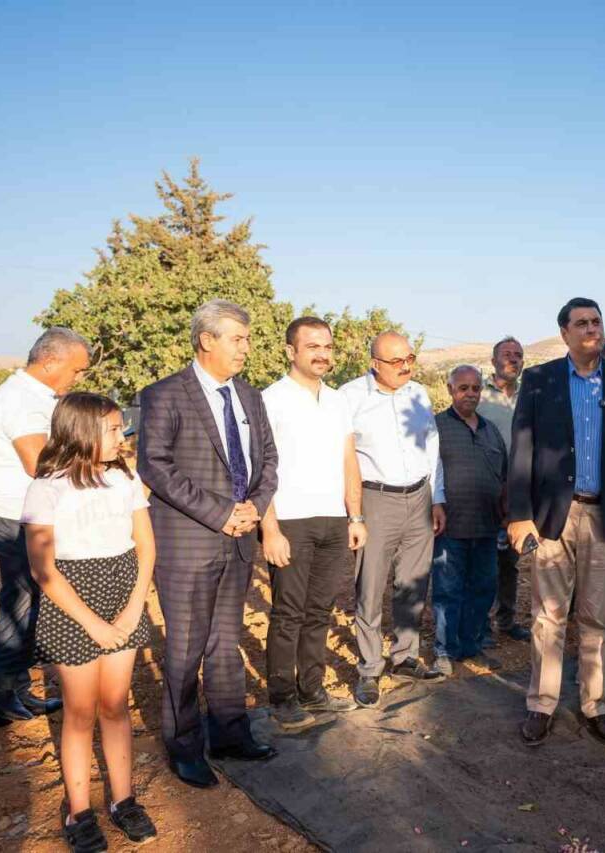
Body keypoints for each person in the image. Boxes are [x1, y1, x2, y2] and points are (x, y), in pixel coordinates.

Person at [138, 299, 279, 789]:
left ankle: (230, 734)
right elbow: (155, 466)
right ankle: (183, 745)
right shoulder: (164, 395)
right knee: (185, 646)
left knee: (224, 644)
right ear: (207, 340)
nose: (246, 347)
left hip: (239, 540)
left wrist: (254, 508)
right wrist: (221, 513)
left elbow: (268, 461)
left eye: (246, 338)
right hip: (190, 543)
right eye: (237, 338)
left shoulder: (250, 397)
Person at [507, 297, 605, 747]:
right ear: (564, 333)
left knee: (596, 616)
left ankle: (596, 704)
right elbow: (522, 453)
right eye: (581, 323)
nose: (591, 328)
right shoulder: (539, 380)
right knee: (548, 617)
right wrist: (519, 516)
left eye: (596, 321)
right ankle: (542, 703)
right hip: (553, 517)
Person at [23, 393, 158, 850]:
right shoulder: (48, 485)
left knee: (116, 705)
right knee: (80, 713)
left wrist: (136, 603)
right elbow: (44, 569)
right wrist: (94, 624)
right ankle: (79, 812)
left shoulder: (124, 476)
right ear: (80, 431)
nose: (123, 436)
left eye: (122, 428)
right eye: (114, 429)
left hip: (123, 591)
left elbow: (145, 545)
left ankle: (124, 801)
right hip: (71, 602)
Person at [0, 327, 89, 725]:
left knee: (28, 600)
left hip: (12, 512)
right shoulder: (22, 402)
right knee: (22, 602)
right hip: (12, 517)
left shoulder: (29, 396)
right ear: (51, 361)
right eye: (76, 370)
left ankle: (11, 690)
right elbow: (38, 463)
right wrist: (91, 460)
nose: (77, 378)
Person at [259, 317, 365, 731]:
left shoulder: (338, 401)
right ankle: (282, 699)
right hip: (289, 520)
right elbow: (260, 470)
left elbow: (348, 460)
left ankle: (313, 692)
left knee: (319, 609)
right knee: (288, 613)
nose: (322, 354)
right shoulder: (270, 400)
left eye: (327, 347)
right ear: (290, 351)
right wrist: (270, 528)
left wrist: (355, 516)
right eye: (312, 347)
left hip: (334, 521)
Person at [340, 331, 447, 708]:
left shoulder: (418, 393)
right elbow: (343, 458)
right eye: (395, 361)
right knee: (369, 588)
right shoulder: (350, 397)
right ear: (374, 363)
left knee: (413, 584)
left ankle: (405, 657)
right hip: (375, 499)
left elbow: (431, 447)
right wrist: (353, 513)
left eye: (410, 358)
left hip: (419, 496)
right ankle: (369, 668)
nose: (405, 366)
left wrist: (437, 497)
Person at [431, 365, 508, 676]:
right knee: (448, 590)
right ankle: (444, 651)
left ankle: (471, 646)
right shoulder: (436, 426)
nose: (470, 394)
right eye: (463, 388)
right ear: (450, 390)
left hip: (487, 526)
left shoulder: (490, 430)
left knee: (483, 588)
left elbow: (503, 476)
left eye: (475, 388)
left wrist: (506, 515)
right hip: (450, 525)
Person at [477, 336, 532, 646]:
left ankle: (506, 619)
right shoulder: (479, 395)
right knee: (485, 559)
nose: (513, 359)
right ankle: (481, 623)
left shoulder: (529, 396)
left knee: (510, 561)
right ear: (493, 360)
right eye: (507, 354)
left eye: (518, 355)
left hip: (519, 492)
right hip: (485, 489)